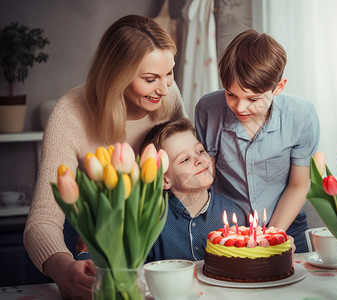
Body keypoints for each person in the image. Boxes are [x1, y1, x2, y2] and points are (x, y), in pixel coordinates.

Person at [23, 15, 185, 300]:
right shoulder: (70, 113)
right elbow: (42, 221)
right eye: (150, 79)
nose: (165, 87)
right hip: (100, 262)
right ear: (117, 75)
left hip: (165, 256)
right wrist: (63, 270)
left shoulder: (169, 97)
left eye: (169, 73)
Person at [195, 29, 320, 253]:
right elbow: (207, 178)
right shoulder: (208, 110)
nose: (240, 107)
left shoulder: (302, 115)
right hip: (229, 231)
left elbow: (298, 185)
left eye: (253, 99)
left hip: (287, 225)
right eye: (230, 94)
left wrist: (271, 237)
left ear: (278, 87)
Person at [139, 118, 246, 261]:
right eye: (185, 159)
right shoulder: (152, 221)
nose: (199, 159)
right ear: (164, 180)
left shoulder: (234, 214)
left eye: (200, 151)